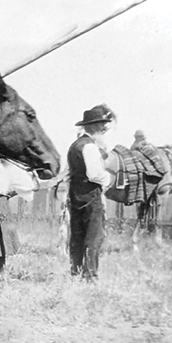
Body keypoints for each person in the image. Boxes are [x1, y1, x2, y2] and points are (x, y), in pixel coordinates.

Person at [65, 104, 114, 281]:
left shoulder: (74, 146)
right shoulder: (90, 147)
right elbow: (95, 175)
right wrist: (108, 179)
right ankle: (90, 276)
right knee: (93, 236)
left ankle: (75, 272)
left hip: (75, 194)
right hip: (91, 195)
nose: (103, 130)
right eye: (102, 127)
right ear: (95, 128)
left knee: (77, 235)